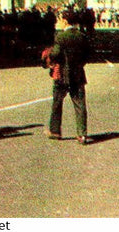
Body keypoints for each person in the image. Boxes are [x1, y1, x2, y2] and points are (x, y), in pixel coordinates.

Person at [47, 9, 91, 143]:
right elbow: (86, 55)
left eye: (59, 19)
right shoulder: (81, 36)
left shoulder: (60, 37)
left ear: (65, 21)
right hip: (78, 74)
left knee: (57, 102)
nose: (58, 22)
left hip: (62, 75)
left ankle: (55, 131)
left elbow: (55, 54)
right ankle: (82, 134)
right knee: (80, 104)